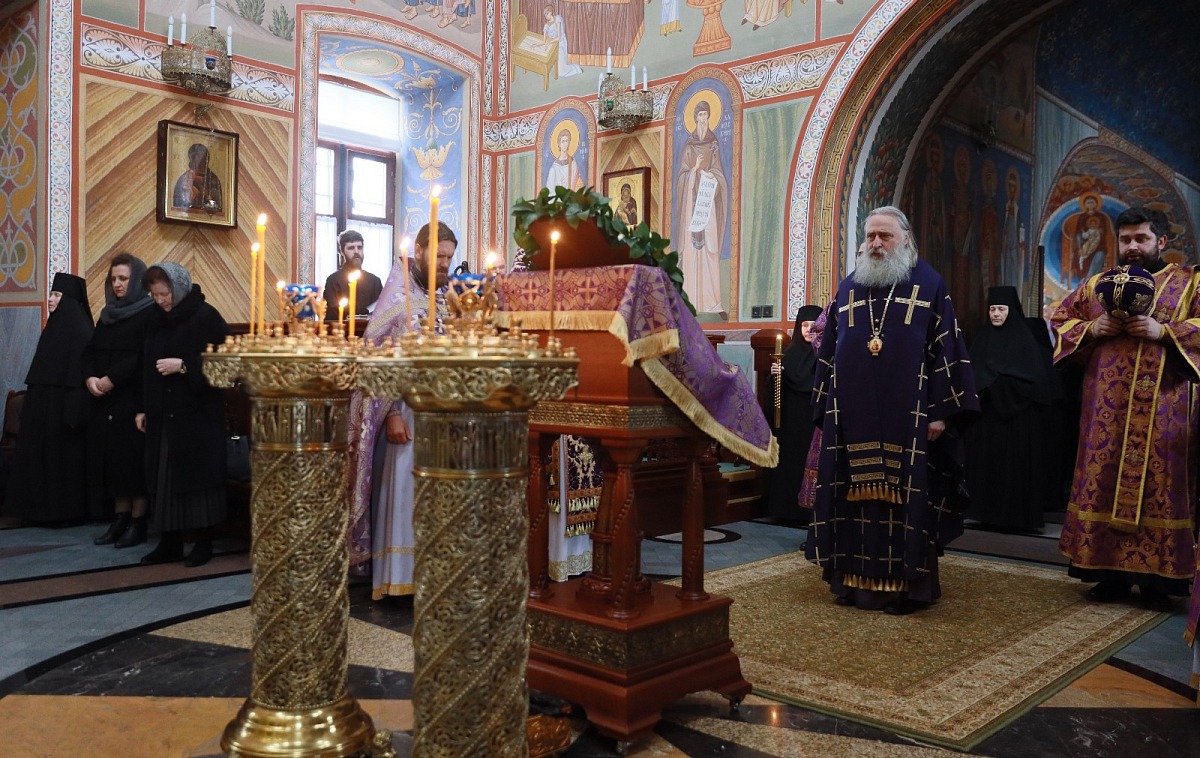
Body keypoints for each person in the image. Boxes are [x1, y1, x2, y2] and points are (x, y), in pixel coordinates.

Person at [806, 206, 978, 615]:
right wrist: (826, 407)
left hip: (911, 419)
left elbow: (946, 352)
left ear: (905, 238)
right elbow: (829, 352)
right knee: (850, 502)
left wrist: (940, 412)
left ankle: (905, 591)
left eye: (884, 235)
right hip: (850, 418)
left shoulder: (930, 284)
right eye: (870, 236)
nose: (876, 244)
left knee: (906, 506)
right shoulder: (849, 287)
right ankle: (851, 585)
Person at [1051, 206, 1198, 612]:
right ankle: (1107, 574)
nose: (1133, 246)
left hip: (1164, 411)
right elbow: (1061, 319)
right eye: (1126, 239)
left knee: (1159, 488)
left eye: (1141, 239)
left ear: (1161, 242)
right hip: (1106, 412)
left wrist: (1165, 331)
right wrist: (1090, 329)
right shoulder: (1098, 285)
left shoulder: (1188, 283)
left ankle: (1157, 581)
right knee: (1103, 480)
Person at [347, 221, 455, 598]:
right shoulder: (396, 297)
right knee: (406, 494)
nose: (444, 264)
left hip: (442, 414)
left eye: (449, 257)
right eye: (439, 256)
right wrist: (392, 411)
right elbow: (374, 360)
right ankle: (401, 578)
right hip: (406, 414)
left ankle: (436, 576)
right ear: (419, 252)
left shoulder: (445, 297)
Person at [136, 262, 229, 567]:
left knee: (199, 483)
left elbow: (227, 363)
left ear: (179, 288)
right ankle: (170, 542)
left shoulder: (206, 316)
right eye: (155, 295)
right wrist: (143, 407)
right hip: (162, 413)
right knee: (164, 479)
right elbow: (145, 366)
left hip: (197, 416)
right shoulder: (153, 318)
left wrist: (185, 365)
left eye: (165, 294)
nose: (160, 300)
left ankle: (204, 542)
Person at [965, 286, 1061, 532]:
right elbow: (971, 378)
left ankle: (1018, 518)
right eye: (992, 310)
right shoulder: (981, 341)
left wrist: (1001, 385)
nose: (996, 314)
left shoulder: (1026, 343)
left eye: (1001, 309)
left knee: (1016, 471)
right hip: (988, 423)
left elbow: (1037, 383)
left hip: (1019, 425)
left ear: (1012, 311)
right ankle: (985, 513)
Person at [3, 273, 94, 525]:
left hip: (65, 412)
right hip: (44, 409)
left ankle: (64, 513)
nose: (51, 299)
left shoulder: (81, 331)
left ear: (70, 300)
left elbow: (79, 377)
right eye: (51, 294)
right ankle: (37, 511)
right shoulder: (54, 328)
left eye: (56, 295)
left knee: (63, 461)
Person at [87, 254, 156, 547]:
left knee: (134, 464)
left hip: (134, 399)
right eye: (113, 279)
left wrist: (112, 378)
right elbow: (91, 352)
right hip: (106, 401)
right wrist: (90, 378)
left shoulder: (149, 313)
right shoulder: (107, 315)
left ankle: (138, 522)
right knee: (114, 463)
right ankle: (119, 519)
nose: (117, 284)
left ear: (137, 281)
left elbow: (143, 356)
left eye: (123, 278)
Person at [764, 305, 823, 521]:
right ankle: (786, 512)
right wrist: (774, 376)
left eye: (813, 326)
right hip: (791, 423)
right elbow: (774, 396)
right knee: (790, 464)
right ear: (798, 328)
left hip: (816, 421)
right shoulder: (786, 357)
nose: (808, 331)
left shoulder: (826, 356)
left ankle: (811, 514)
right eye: (804, 326)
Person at [674, 98, 729, 315]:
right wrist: (694, 170)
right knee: (691, 252)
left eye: (705, 115)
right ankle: (690, 302)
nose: (703, 119)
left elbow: (719, 172)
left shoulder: (713, 143)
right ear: (695, 118)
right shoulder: (689, 145)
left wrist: (711, 175)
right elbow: (682, 175)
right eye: (700, 115)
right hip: (691, 204)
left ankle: (713, 303)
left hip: (707, 202)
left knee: (710, 249)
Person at [322, 230, 384, 322]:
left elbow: (381, 312)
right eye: (351, 248)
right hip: (343, 329)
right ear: (342, 252)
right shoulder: (333, 280)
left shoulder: (375, 281)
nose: (356, 251)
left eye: (359, 247)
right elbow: (332, 316)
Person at [171, 143, 222, 212]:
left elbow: (216, 205)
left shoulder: (213, 179)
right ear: (191, 158)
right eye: (195, 156)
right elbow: (178, 203)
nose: (199, 159)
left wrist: (204, 194)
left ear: (207, 159)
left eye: (201, 155)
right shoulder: (184, 178)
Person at [541, 6, 582, 77]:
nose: (546, 16)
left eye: (547, 13)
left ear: (551, 12)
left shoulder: (558, 19)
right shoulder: (546, 25)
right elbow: (544, 39)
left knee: (561, 72)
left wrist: (549, 43)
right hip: (553, 45)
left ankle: (576, 68)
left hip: (561, 44)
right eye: (545, 15)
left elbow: (559, 37)